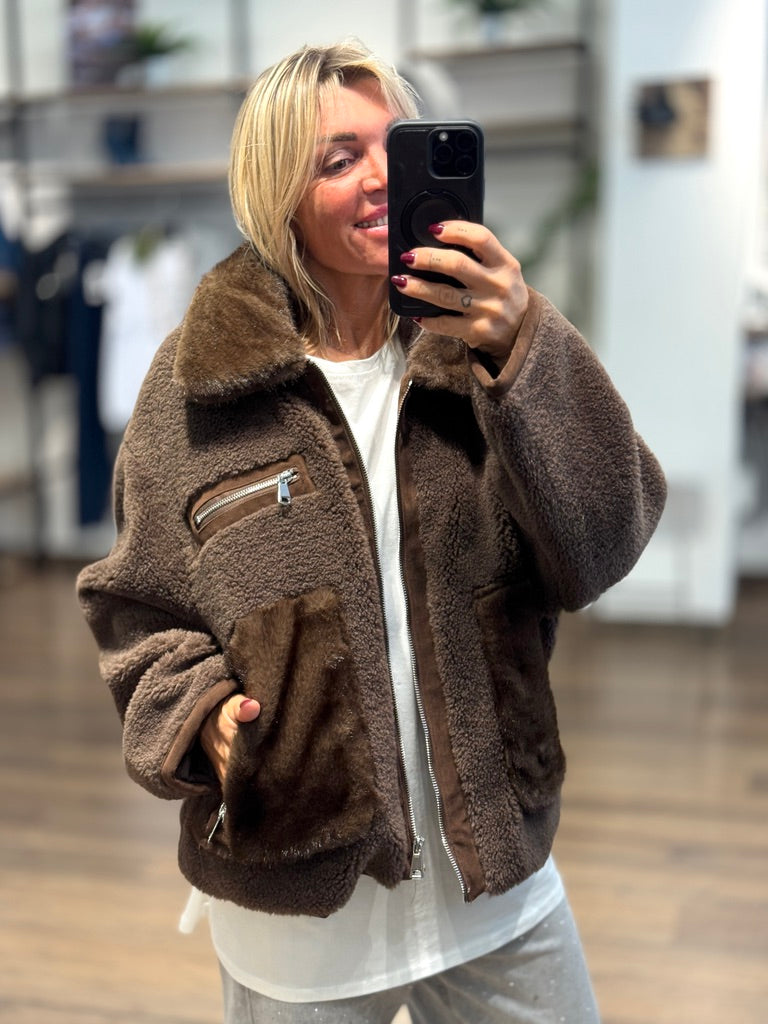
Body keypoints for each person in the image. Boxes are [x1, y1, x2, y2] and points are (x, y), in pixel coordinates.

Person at [77, 39, 666, 1024]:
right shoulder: (199, 384)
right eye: (339, 158)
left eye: (397, 143)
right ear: (279, 193)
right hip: (299, 902)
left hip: (496, 874)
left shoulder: (482, 344)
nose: (382, 175)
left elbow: (605, 539)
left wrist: (524, 345)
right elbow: (134, 604)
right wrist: (200, 717)